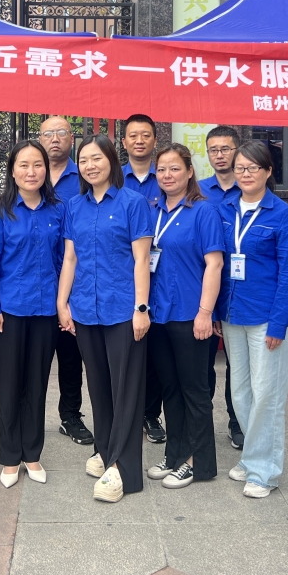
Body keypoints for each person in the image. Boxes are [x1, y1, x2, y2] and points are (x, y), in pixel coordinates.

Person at [57, 134, 153, 503]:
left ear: (112, 160)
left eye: (96, 158)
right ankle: (105, 449)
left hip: (123, 310)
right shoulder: (74, 206)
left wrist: (141, 308)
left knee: (125, 388)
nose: (89, 165)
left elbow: (141, 259)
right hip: (85, 308)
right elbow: (70, 258)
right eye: (83, 160)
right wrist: (63, 303)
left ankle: (123, 470)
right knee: (98, 386)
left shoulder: (132, 202)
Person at [216, 141, 288, 498]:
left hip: (266, 317)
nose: (245, 174)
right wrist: (217, 311)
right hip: (232, 313)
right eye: (240, 168)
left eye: (253, 168)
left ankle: (265, 471)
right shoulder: (225, 208)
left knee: (267, 394)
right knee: (241, 391)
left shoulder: (282, 215)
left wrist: (280, 323)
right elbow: (218, 263)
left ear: (268, 172)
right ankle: (252, 457)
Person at [0, 140, 64, 487]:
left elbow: (63, 261)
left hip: (46, 311)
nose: (31, 172)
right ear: (13, 171)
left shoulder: (58, 210)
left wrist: (63, 305)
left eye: (37, 165)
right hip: (10, 311)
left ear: (46, 169)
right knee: (10, 384)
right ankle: (9, 457)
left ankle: (32, 454)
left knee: (37, 383)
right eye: (23, 165)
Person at [145, 144, 225, 490]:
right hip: (159, 313)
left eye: (175, 168)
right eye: (161, 169)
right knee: (170, 388)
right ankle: (175, 454)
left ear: (190, 172)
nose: (167, 175)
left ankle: (197, 461)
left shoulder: (203, 211)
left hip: (190, 313)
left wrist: (205, 312)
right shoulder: (153, 210)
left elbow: (215, 264)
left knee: (195, 390)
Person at [38, 115, 93, 447]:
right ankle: (28, 417)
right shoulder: (32, 173)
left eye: (61, 133)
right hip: (38, 282)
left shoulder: (84, 176)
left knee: (72, 356)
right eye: (48, 134)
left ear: (72, 139)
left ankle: (70, 415)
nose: (55, 139)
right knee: (35, 358)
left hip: (76, 282)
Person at [119, 113, 165, 444]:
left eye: (145, 135)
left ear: (154, 140)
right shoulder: (114, 178)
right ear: (124, 142)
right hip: (125, 275)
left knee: (156, 351)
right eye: (133, 135)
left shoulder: (164, 177)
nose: (139, 140)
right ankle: (127, 415)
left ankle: (151, 414)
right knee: (128, 348)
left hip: (163, 273)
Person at [199, 125, 245, 450]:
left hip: (240, 292)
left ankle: (237, 422)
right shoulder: (199, 192)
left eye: (225, 148)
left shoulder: (250, 188)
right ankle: (200, 426)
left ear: (237, 150)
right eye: (213, 149)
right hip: (204, 289)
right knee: (202, 367)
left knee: (238, 366)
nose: (219, 155)